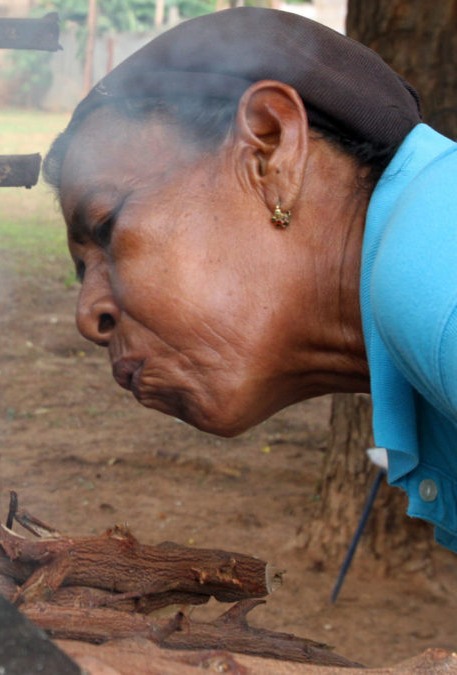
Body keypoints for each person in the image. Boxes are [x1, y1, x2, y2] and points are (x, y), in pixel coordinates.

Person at [43, 7, 457, 550]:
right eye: (82, 271)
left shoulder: (430, 271)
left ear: (270, 148)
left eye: (107, 223)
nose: (88, 316)